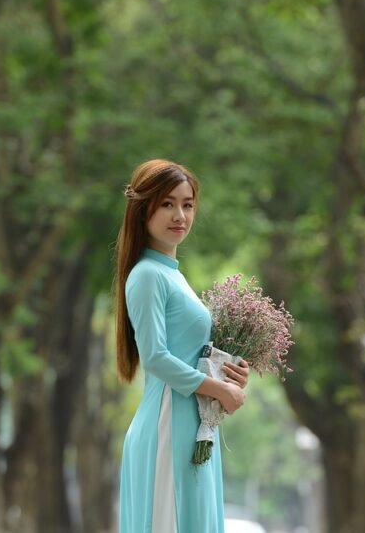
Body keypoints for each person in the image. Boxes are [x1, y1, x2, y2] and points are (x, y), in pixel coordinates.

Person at [115, 159, 250, 533]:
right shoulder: (146, 275)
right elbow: (157, 357)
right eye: (167, 204)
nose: (180, 215)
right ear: (143, 210)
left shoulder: (172, 276)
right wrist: (218, 389)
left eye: (187, 204)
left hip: (193, 426)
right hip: (167, 427)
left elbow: (191, 352)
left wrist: (230, 375)